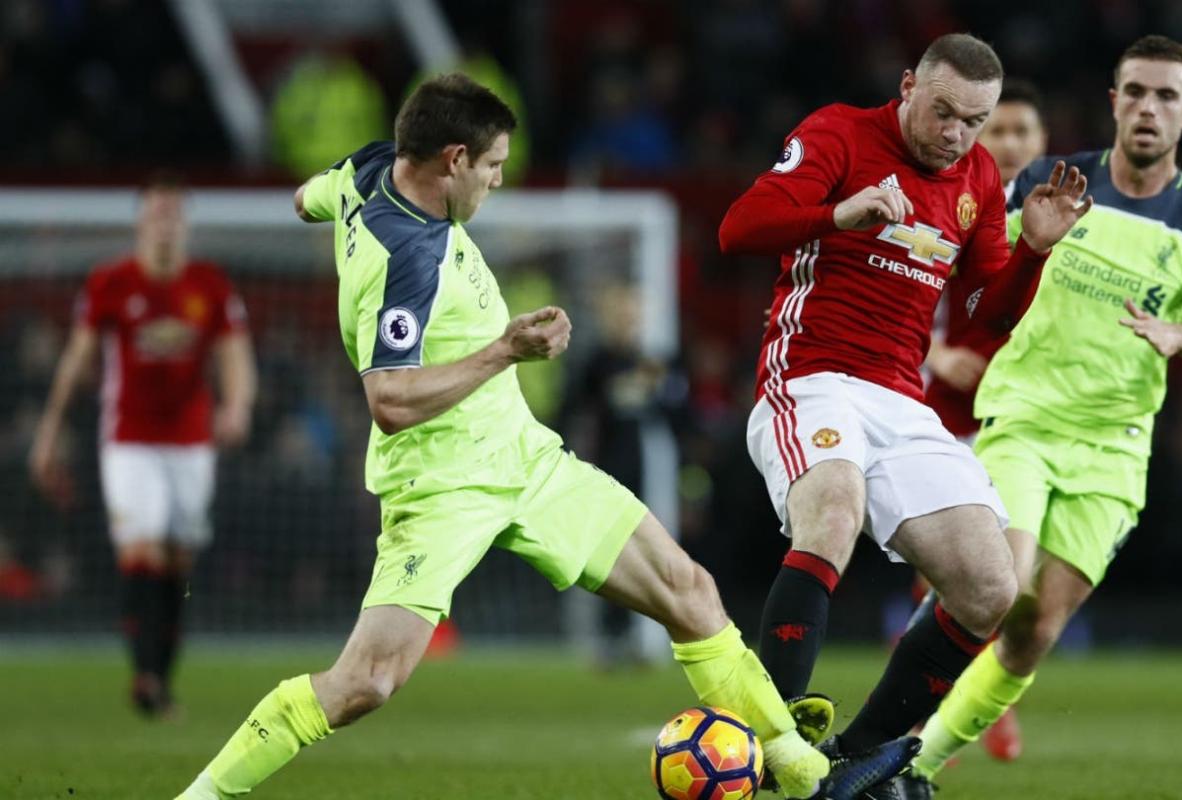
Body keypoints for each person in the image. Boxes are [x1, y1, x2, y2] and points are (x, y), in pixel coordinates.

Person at [172, 74, 916, 800]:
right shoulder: (407, 259)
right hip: (442, 486)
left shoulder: (368, 170)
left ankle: (807, 775)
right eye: (492, 165)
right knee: (365, 682)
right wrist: (505, 350)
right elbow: (390, 401)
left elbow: (308, 197)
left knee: (688, 590)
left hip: (525, 461)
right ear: (453, 159)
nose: (498, 181)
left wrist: (333, 213)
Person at [901, 35, 1182, 796]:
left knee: (1034, 630)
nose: (1148, 108)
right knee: (998, 585)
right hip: (1024, 421)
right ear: (1114, 101)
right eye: (1135, 91)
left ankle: (916, 768)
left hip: (1114, 451)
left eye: (1166, 96)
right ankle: (892, 743)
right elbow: (954, 254)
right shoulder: (1052, 183)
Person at [718, 31, 1091, 764]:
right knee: (833, 511)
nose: (956, 135)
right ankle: (772, 748)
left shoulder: (977, 176)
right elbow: (738, 230)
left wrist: (1033, 252)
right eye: (942, 112)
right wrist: (838, 214)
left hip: (900, 398)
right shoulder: (839, 133)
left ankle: (859, 759)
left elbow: (986, 313)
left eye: (974, 121)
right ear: (908, 86)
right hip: (812, 376)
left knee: (991, 585)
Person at [29, 176, 256, 717]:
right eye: (156, 213)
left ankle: (161, 679)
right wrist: (49, 431)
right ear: (140, 221)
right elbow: (77, 359)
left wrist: (238, 406)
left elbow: (235, 356)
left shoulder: (209, 285)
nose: (164, 223)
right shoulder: (111, 282)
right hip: (129, 440)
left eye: (173, 213)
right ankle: (144, 677)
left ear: (185, 224)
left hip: (191, 442)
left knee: (177, 560)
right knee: (142, 548)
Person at [917, 78, 1049, 762]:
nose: (1010, 142)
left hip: (1023, 418)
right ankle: (942, 697)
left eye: (1022, 131)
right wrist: (938, 355)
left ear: (1043, 141)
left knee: (1006, 574)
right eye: (998, 130)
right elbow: (902, 293)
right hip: (942, 413)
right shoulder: (954, 204)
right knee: (952, 567)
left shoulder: (1061, 221)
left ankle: (978, 692)